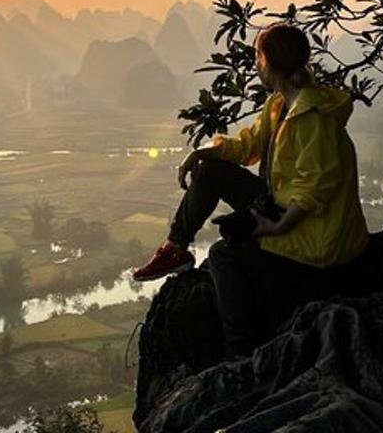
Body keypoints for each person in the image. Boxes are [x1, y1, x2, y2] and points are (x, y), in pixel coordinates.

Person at [131, 22, 369, 357]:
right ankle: (175, 248)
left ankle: (241, 350)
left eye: (258, 57)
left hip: (316, 235)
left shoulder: (313, 118)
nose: (256, 65)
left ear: (269, 63)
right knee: (212, 170)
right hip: (284, 203)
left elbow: (315, 188)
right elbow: (248, 146)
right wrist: (201, 152)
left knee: (222, 255)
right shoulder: (280, 104)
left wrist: (276, 227)